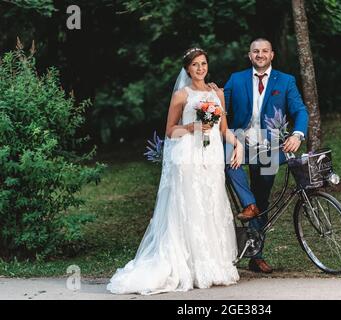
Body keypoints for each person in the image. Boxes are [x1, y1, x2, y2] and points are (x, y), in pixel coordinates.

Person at [107, 48, 243, 295]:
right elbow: (170, 131)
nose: (200, 68)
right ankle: (189, 268)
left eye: (203, 64)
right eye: (195, 65)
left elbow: (223, 129)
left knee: (210, 206)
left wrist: (238, 145)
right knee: (190, 208)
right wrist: (192, 126)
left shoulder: (217, 94)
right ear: (188, 69)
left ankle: (212, 266)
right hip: (189, 157)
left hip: (211, 158)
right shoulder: (182, 95)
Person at [223, 38, 309, 273]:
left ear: (272, 55)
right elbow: (221, 108)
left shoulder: (286, 81)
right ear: (249, 56)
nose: (260, 55)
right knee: (229, 161)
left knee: (263, 199)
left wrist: (297, 135)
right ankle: (247, 204)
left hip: (269, 147)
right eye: (255, 51)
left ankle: (256, 255)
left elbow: (300, 110)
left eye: (264, 51)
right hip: (240, 142)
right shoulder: (236, 79)